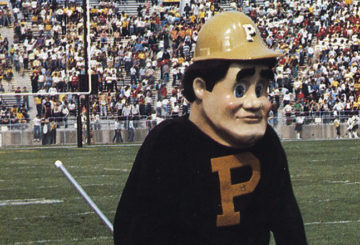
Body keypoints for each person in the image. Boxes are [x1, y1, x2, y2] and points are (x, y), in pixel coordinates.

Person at [114, 12, 307, 245]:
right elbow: (136, 229)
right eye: (240, 90)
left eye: (260, 89)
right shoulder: (170, 142)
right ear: (201, 88)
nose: (255, 103)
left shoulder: (266, 143)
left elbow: (290, 228)